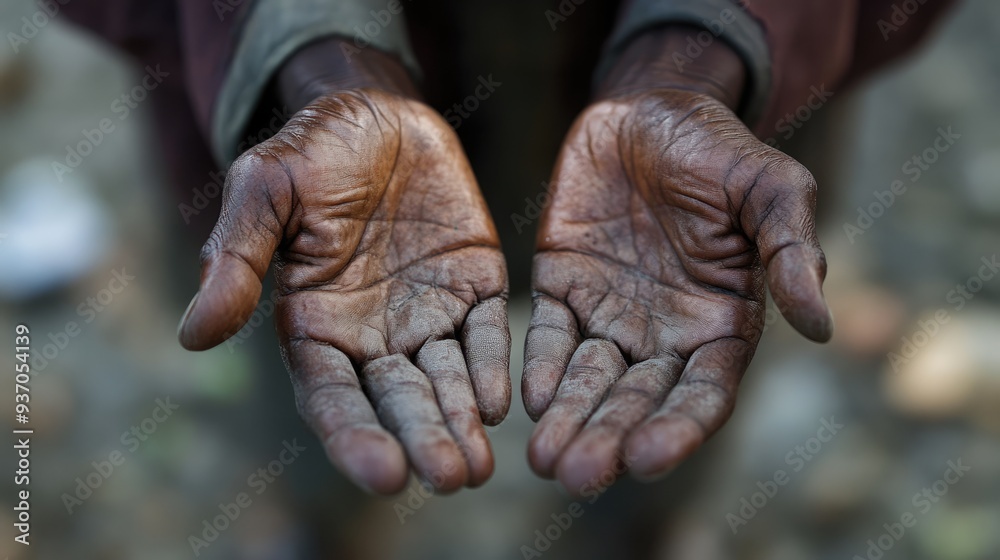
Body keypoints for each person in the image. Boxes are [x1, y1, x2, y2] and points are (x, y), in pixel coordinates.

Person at [61, 0, 956, 495]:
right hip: (305, 142)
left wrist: (698, 51)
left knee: (667, 378)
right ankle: (325, 532)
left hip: (712, 135)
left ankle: (631, 539)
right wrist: (316, 55)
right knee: (309, 344)